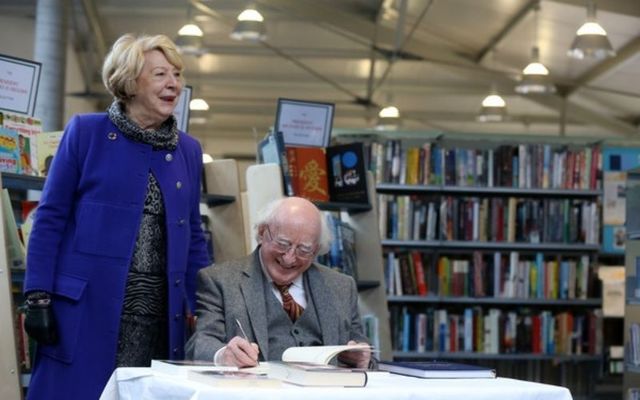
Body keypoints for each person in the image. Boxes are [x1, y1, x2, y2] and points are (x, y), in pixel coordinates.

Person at [22, 33, 210, 400]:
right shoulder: (86, 132)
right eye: (160, 74)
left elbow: (195, 242)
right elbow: (50, 219)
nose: (173, 83)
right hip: (85, 316)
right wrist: (38, 298)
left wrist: (210, 310)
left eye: (176, 74)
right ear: (129, 80)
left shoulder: (188, 150)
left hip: (159, 321)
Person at [185, 196, 371, 368]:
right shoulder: (220, 280)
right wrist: (223, 356)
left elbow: (366, 355)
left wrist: (362, 359)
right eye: (283, 244)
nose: (290, 258)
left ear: (316, 250)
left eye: (304, 250)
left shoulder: (342, 286)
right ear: (262, 232)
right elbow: (200, 343)